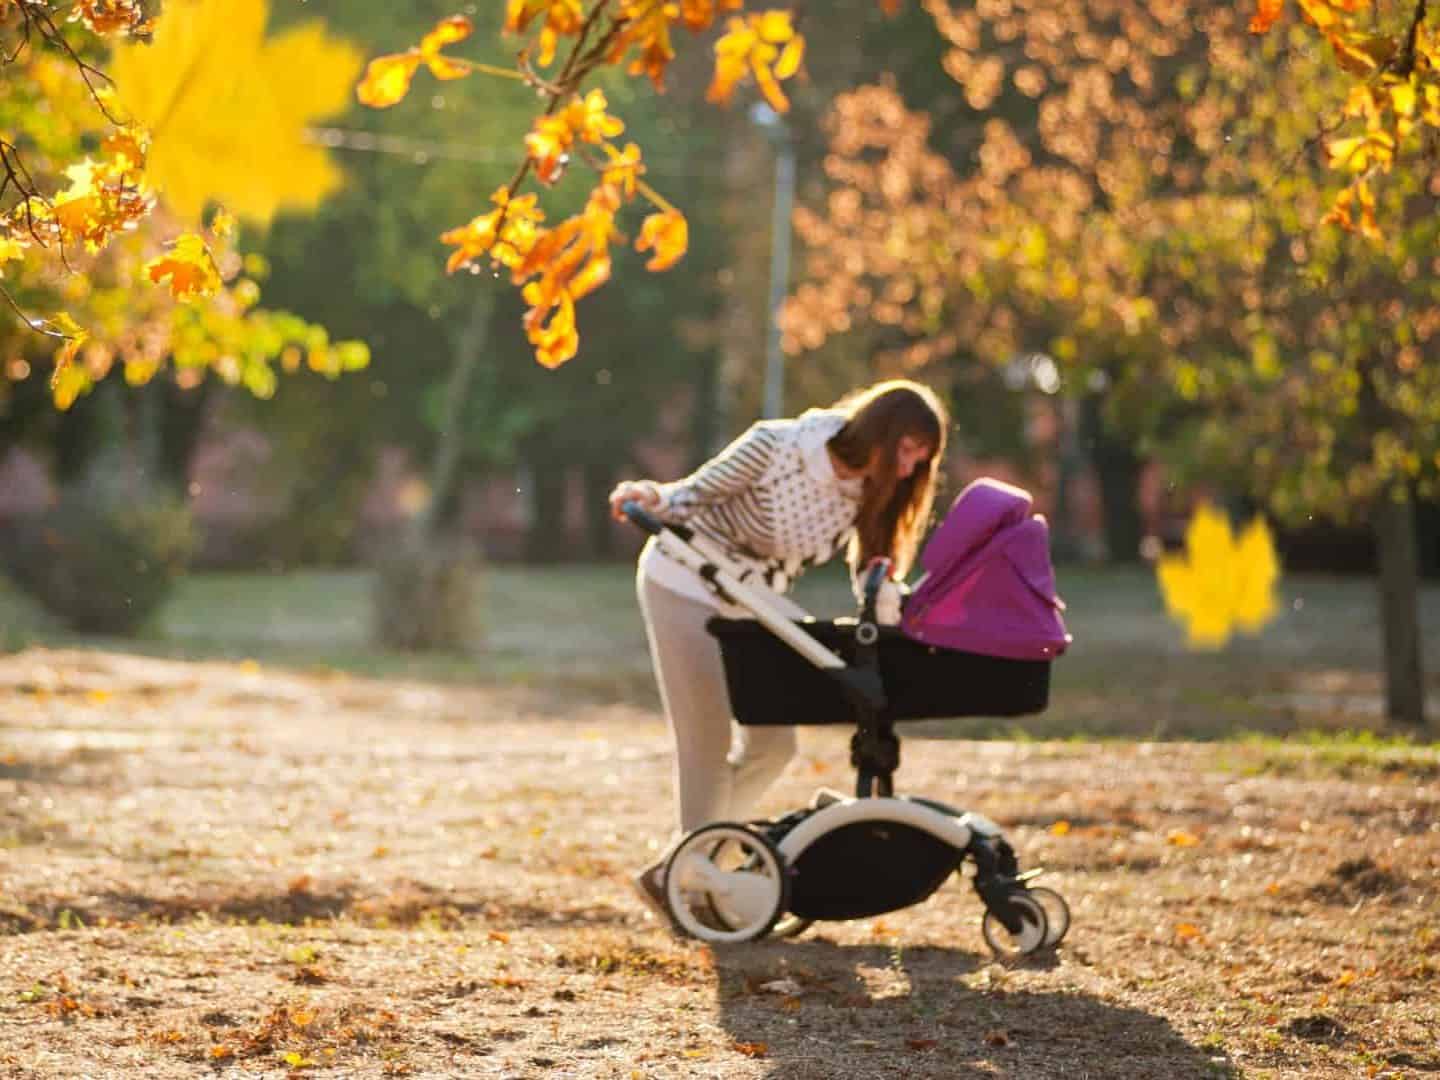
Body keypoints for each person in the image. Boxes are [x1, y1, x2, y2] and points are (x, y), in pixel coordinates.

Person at [607, 379, 951, 919]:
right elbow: (690, 494)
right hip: (684, 581)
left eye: (921, 460)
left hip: (753, 600)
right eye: (908, 451)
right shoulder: (780, 446)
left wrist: (891, 608)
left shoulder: (870, 490)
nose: (909, 470)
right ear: (881, 431)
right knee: (707, 741)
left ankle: (678, 867)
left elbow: (873, 572)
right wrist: (648, 496)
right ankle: (689, 887)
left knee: (773, 744)